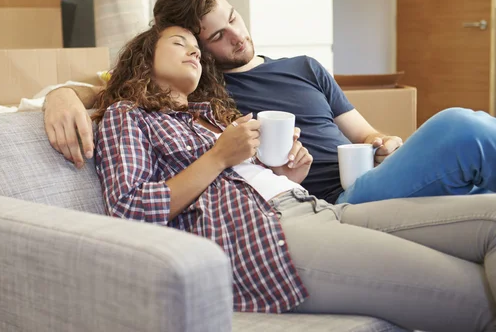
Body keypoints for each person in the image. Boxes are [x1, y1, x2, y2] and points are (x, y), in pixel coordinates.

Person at [94, 23, 496, 331]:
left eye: (198, 50)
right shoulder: (127, 116)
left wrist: (287, 175)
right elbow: (129, 209)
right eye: (180, 44)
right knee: (477, 299)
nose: (194, 54)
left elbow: (245, 185)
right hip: (266, 241)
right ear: (145, 59)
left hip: (315, 211)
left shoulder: (209, 117)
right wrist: (218, 157)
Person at [43, 0, 496, 205]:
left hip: (373, 178)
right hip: (334, 203)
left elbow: (364, 134)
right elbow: (124, 85)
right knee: (461, 126)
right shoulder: (199, 91)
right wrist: (60, 94)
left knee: (481, 197)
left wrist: (383, 143)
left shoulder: (305, 66)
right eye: (216, 36)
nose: (237, 36)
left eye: (233, 19)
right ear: (195, 46)